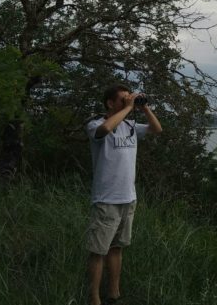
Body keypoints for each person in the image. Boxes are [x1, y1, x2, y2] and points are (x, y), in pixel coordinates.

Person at [85, 84, 162, 305]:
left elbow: (157, 129)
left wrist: (144, 107)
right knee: (98, 251)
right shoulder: (95, 124)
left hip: (128, 198)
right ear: (110, 103)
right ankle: (94, 298)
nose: (128, 102)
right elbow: (104, 130)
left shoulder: (130, 126)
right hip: (106, 199)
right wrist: (128, 108)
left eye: (130, 99)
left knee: (116, 248)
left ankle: (114, 294)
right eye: (123, 99)